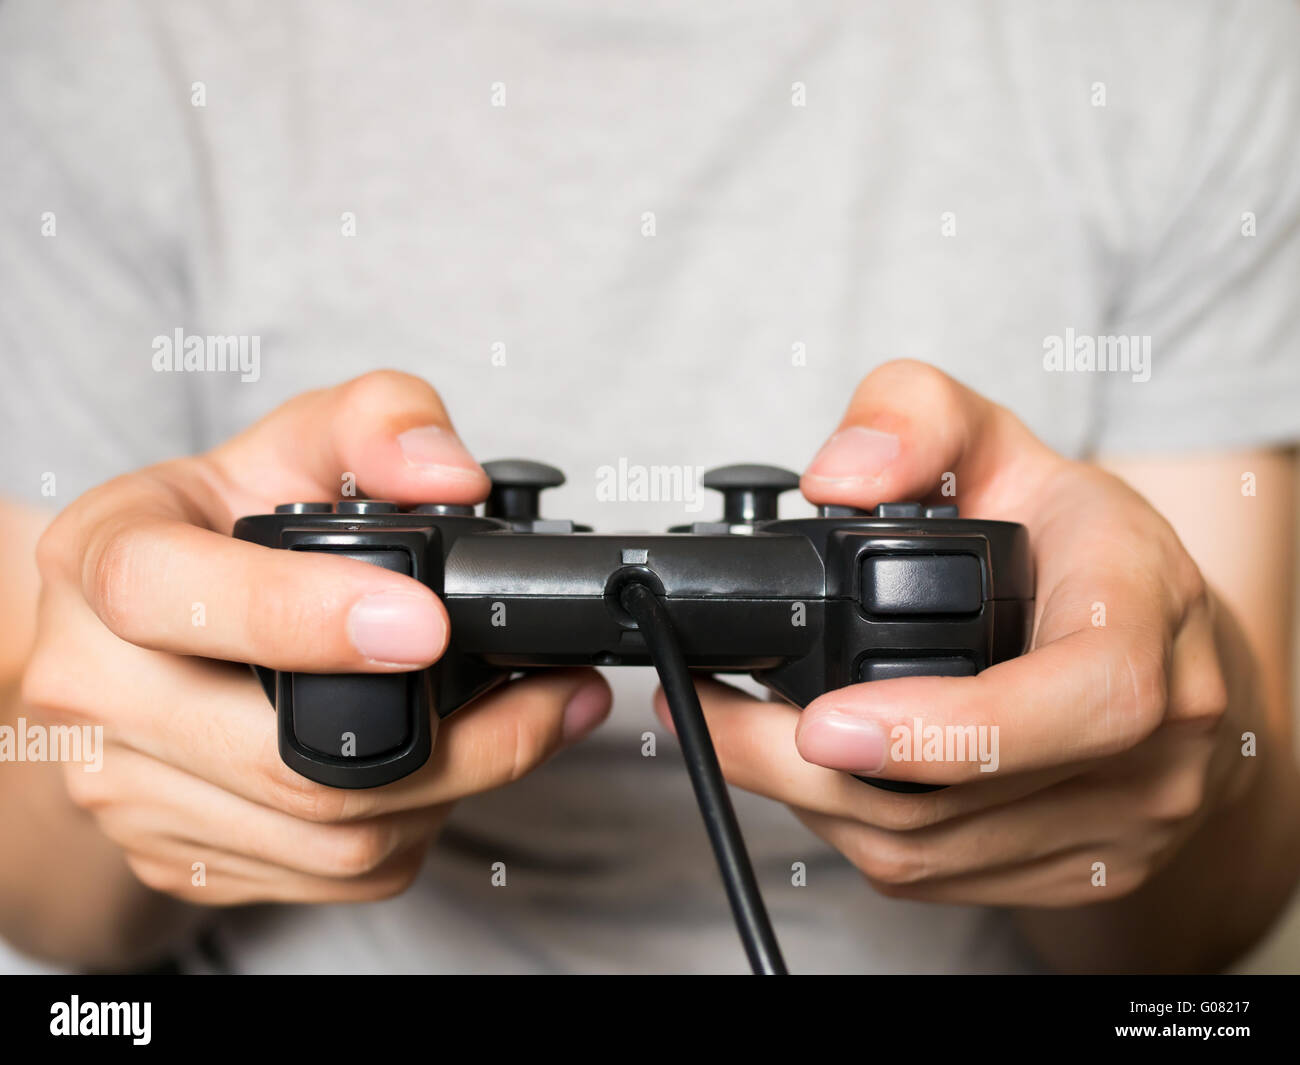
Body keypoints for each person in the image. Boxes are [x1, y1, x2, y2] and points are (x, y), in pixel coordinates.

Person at [2, 0, 1298, 975]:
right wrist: (113, 754)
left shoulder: (1192, 33)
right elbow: (45, 897)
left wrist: (1182, 741)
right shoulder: (104, 42)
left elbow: (1197, 932)